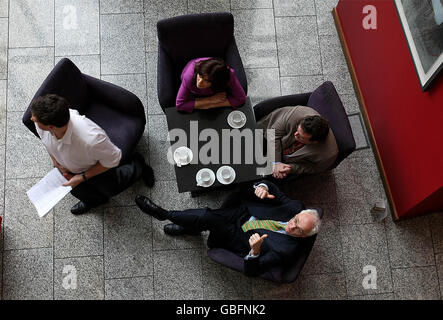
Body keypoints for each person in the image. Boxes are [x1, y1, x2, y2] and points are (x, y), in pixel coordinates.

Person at [134, 180, 321, 277]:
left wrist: (255, 252)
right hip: (243, 213)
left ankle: (166, 215)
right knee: (208, 216)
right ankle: (179, 222)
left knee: (208, 217)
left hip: (239, 237)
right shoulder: (296, 208)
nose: (291, 226)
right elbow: (273, 188)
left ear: (304, 236)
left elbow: (252, 272)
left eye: (297, 229)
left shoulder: (285, 251)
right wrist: (263, 187)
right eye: (295, 220)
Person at [30, 94, 155, 215]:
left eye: (34, 119)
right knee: (81, 192)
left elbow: (113, 159)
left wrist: (81, 177)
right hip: (66, 170)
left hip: (92, 168)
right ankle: (94, 202)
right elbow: (46, 142)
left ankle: (139, 165)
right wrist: (55, 162)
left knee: (114, 187)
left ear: (51, 127)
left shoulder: (92, 139)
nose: (31, 119)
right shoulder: (40, 123)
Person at [257, 106, 338, 179]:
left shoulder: (328, 155)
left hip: (287, 161)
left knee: (260, 175)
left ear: (315, 142)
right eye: (297, 130)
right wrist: (276, 162)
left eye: (301, 136)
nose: (295, 134)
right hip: (268, 131)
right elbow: (272, 133)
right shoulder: (296, 114)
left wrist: (289, 168)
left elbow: (315, 168)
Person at [176, 57, 246, 113]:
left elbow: (241, 99)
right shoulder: (189, 76)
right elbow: (180, 105)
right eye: (200, 76)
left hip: (215, 86)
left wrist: (211, 105)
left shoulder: (228, 75)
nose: (199, 82)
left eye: (206, 80)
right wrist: (210, 100)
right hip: (193, 83)